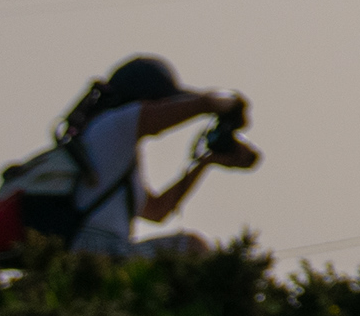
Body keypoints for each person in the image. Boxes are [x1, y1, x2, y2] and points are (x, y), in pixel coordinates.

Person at [60, 55, 256, 260]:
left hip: (92, 251)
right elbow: (206, 103)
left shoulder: (108, 142)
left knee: (189, 247)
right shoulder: (116, 124)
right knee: (192, 247)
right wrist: (231, 104)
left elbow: (156, 211)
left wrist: (206, 162)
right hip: (96, 252)